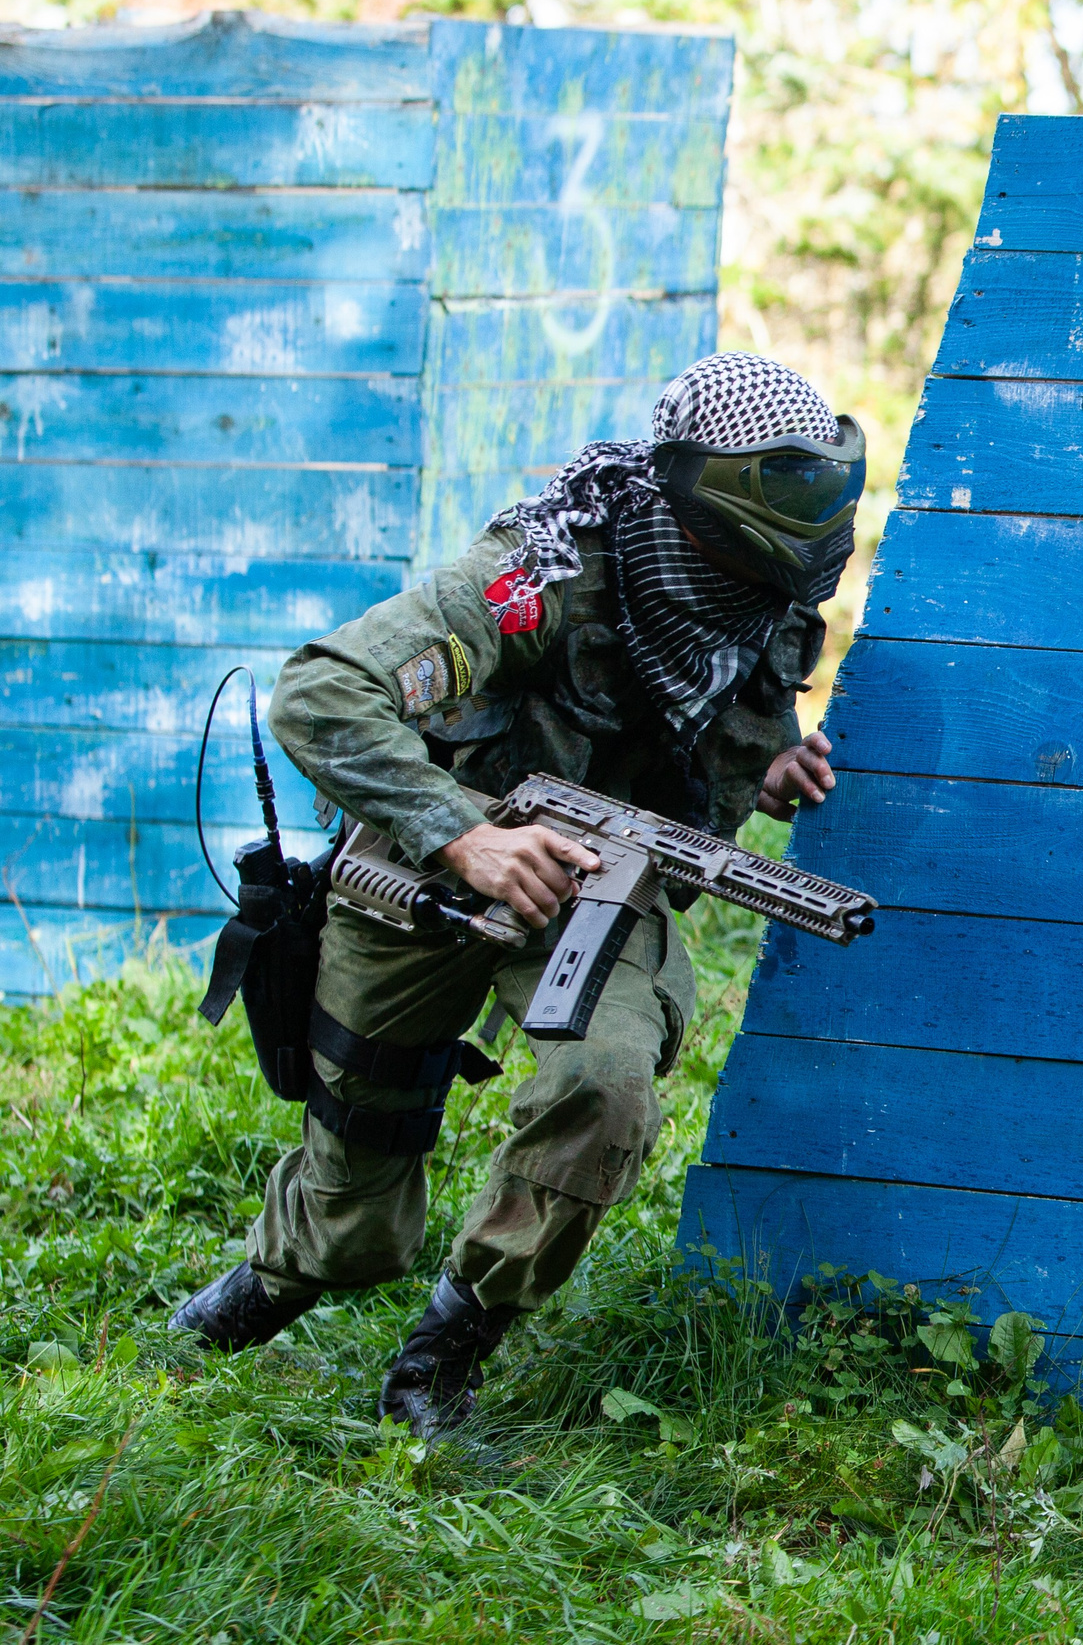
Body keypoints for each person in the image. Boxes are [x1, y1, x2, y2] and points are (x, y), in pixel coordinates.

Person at [166, 353, 864, 1436]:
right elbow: (322, 691)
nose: (756, 601)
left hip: (603, 883)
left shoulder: (757, 591)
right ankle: (262, 1289)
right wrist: (467, 838)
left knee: (607, 1085)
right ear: (692, 514)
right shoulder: (533, 576)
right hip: (425, 867)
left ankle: (444, 1357)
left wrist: (762, 768)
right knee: (358, 1190)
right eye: (743, 570)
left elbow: (730, 702)